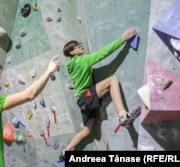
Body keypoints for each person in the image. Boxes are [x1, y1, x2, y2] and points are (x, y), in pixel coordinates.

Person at [59, 28, 137, 160]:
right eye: (78, 46)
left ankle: (65, 153)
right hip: (85, 97)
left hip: (82, 101)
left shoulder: (71, 66)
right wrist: (122, 40)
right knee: (112, 80)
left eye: (80, 44)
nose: (81, 46)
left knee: (87, 130)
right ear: (72, 52)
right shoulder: (82, 60)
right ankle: (123, 115)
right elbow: (102, 53)